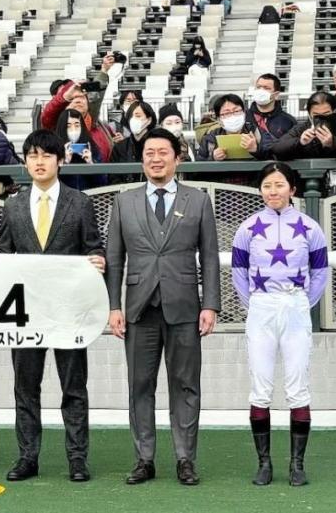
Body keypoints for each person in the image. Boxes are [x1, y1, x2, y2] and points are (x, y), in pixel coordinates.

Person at [0, 130, 105, 483]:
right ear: (26, 161)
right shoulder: (14, 204)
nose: (39, 161)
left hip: (69, 311)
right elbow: (4, 251)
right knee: (25, 386)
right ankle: (27, 457)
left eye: (46, 155)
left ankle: (77, 458)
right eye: (32, 155)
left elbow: (95, 248)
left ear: (59, 159)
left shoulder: (81, 203)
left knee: (73, 387)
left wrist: (98, 262)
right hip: (25, 312)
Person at [106, 128, 221, 487]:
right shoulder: (123, 201)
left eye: (162, 152)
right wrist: (113, 306)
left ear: (177, 157)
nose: (156, 159)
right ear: (142, 160)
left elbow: (211, 257)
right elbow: (114, 258)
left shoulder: (198, 200)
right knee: (140, 385)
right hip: (138, 308)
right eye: (149, 153)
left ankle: (186, 459)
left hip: (186, 305)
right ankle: (144, 459)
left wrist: (211, 304)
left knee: (186, 384)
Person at [231, 162, 329, 486]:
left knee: (297, 386)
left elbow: (320, 274)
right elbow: (238, 274)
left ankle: (297, 464)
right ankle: (264, 463)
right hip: (261, 305)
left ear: (292, 189)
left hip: (296, 304)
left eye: (279, 185)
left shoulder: (311, 228)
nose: (273, 191)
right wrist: (257, 304)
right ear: (260, 190)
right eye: (267, 186)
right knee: (260, 387)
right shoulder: (247, 228)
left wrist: (300, 303)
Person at [40, 69, 117, 163]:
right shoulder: (57, 125)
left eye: (82, 97)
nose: (78, 100)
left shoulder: (99, 125)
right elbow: (47, 116)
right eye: (73, 98)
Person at [272, 92, 336, 161]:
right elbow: (277, 148)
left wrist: (333, 143)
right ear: (309, 114)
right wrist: (300, 142)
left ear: (334, 112)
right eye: (316, 115)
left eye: (326, 114)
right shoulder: (302, 128)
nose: (321, 118)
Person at [198, 95, 265, 162]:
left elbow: (272, 156)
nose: (232, 116)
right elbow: (198, 167)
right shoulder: (210, 139)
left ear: (244, 113)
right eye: (226, 113)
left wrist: (256, 150)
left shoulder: (256, 132)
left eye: (236, 111)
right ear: (219, 119)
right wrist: (212, 158)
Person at [247, 73, 298, 159]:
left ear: (276, 95)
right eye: (258, 87)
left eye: (266, 88)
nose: (261, 91)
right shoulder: (243, 117)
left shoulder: (289, 121)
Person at [55, 108, 106, 191]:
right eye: (68, 126)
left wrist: (91, 163)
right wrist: (65, 162)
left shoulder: (91, 147)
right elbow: (50, 180)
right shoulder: (54, 149)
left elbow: (102, 182)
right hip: (64, 198)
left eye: (77, 125)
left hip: (88, 196)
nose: (73, 129)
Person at [111, 101, 157, 167]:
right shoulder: (120, 147)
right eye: (130, 117)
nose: (133, 120)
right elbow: (113, 174)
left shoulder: (158, 145)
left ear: (149, 120)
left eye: (138, 116)